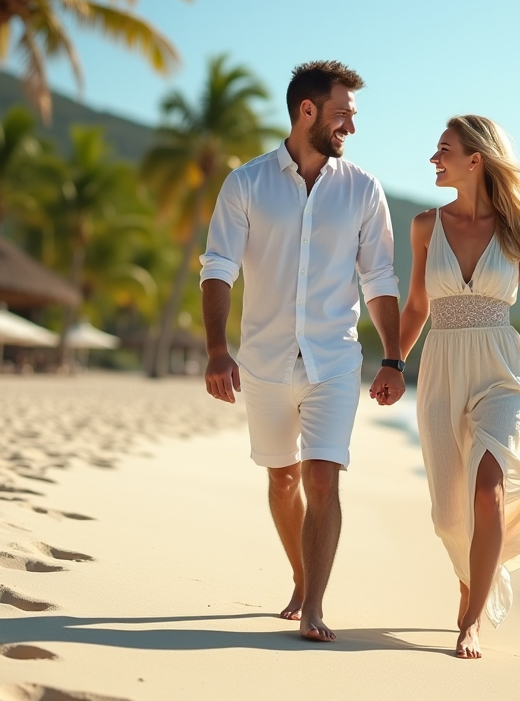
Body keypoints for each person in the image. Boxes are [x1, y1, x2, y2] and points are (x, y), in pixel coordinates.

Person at [199, 61, 406, 643]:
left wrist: (392, 358)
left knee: (322, 478)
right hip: (263, 361)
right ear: (306, 111)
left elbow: (379, 278)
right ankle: (299, 574)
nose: (351, 128)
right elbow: (219, 268)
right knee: (282, 478)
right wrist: (218, 351)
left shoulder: (363, 189)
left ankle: (313, 602)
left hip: (334, 362)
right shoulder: (247, 183)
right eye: (342, 115)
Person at [398, 115, 520, 659]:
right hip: (440, 370)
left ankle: (472, 622)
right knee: (447, 515)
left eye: (443, 150)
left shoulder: (518, 231)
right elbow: (415, 306)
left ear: (475, 159)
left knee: (488, 490)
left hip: (501, 372)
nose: (434, 160)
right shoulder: (423, 226)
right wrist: (393, 363)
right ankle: (470, 578)